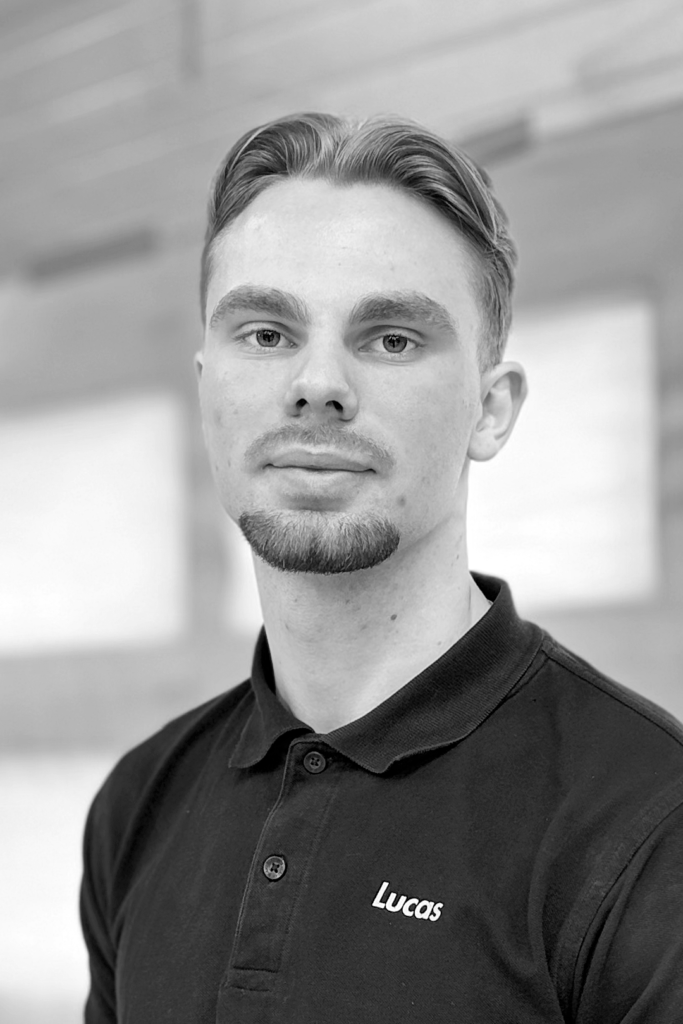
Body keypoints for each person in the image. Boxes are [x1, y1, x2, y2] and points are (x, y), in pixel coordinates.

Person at [80, 112, 683, 1023]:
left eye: (391, 337)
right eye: (266, 333)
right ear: (206, 388)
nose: (317, 384)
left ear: (490, 410)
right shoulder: (138, 803)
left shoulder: (648, 818)